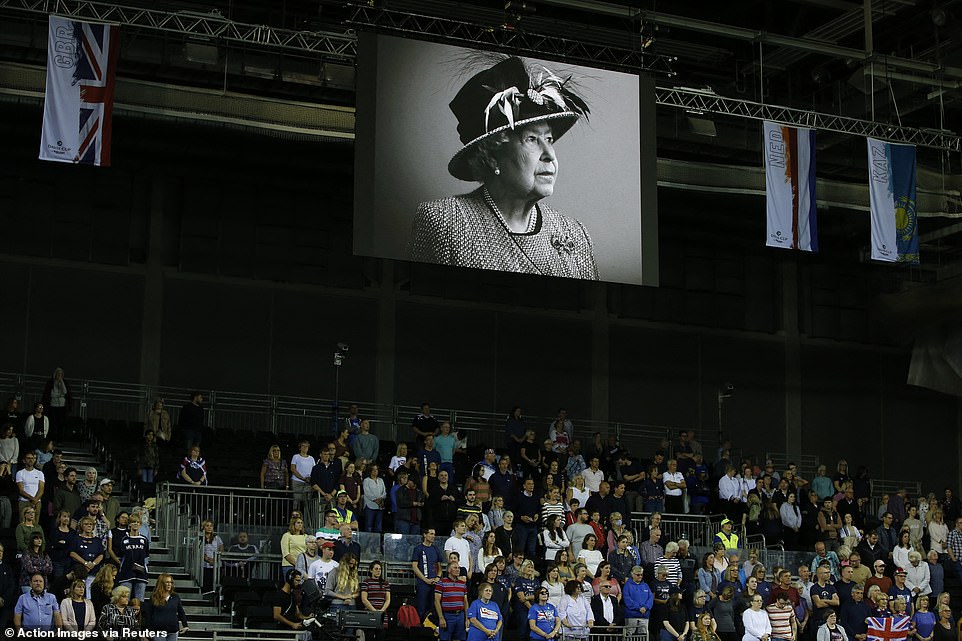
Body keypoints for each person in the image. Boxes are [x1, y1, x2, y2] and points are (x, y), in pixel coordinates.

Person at [409, 55, 597, 279]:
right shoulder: (445, 221)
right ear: (491, 155)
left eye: (549, 139)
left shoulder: (575, 234)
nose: (550, 156)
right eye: (532, 140)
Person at [142, 574, 188, 641]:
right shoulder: (154, 597)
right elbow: (148, 615)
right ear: (161, 583)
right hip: (158, 631)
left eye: (171, 582)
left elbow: (181, 612)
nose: (169, 584)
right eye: (167, 582)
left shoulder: (175, 596)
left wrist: (185, 625)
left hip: (173, 631)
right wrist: (147, 630)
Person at [436, 559, 469, 641]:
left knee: (458, 639)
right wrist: (441, 617)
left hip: (460, 616)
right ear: (449, 570)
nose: (458, 569)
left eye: (458, 568)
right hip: (447, 616)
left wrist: (467, 618)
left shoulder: (462, 584)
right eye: (455, 568)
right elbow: (436, 601)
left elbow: (465, 602)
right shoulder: (441, 583)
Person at [360, 560, 391, 639]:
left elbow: (388, 600)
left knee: (381, 637)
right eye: (376, 569)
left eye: (380, 569)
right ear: (371, 570)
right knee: (369, 636)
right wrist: (374, 611)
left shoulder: (385, 583)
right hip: (369, 614)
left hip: (382, 615)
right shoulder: (366, 582)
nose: (378, 571)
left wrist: (381, 611)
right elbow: (364, 599)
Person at [624, 566, 653, 638]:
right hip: (631, 616)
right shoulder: (627, 585)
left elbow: (650, 598)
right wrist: (639, 608)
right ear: (632, 574)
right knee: (629, 637)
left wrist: (645, 607)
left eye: (641, 575)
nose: (640, 576)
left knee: (643, 636)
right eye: (637, 575)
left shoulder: (645, 585)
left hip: (644, 616)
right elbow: (627, 600)